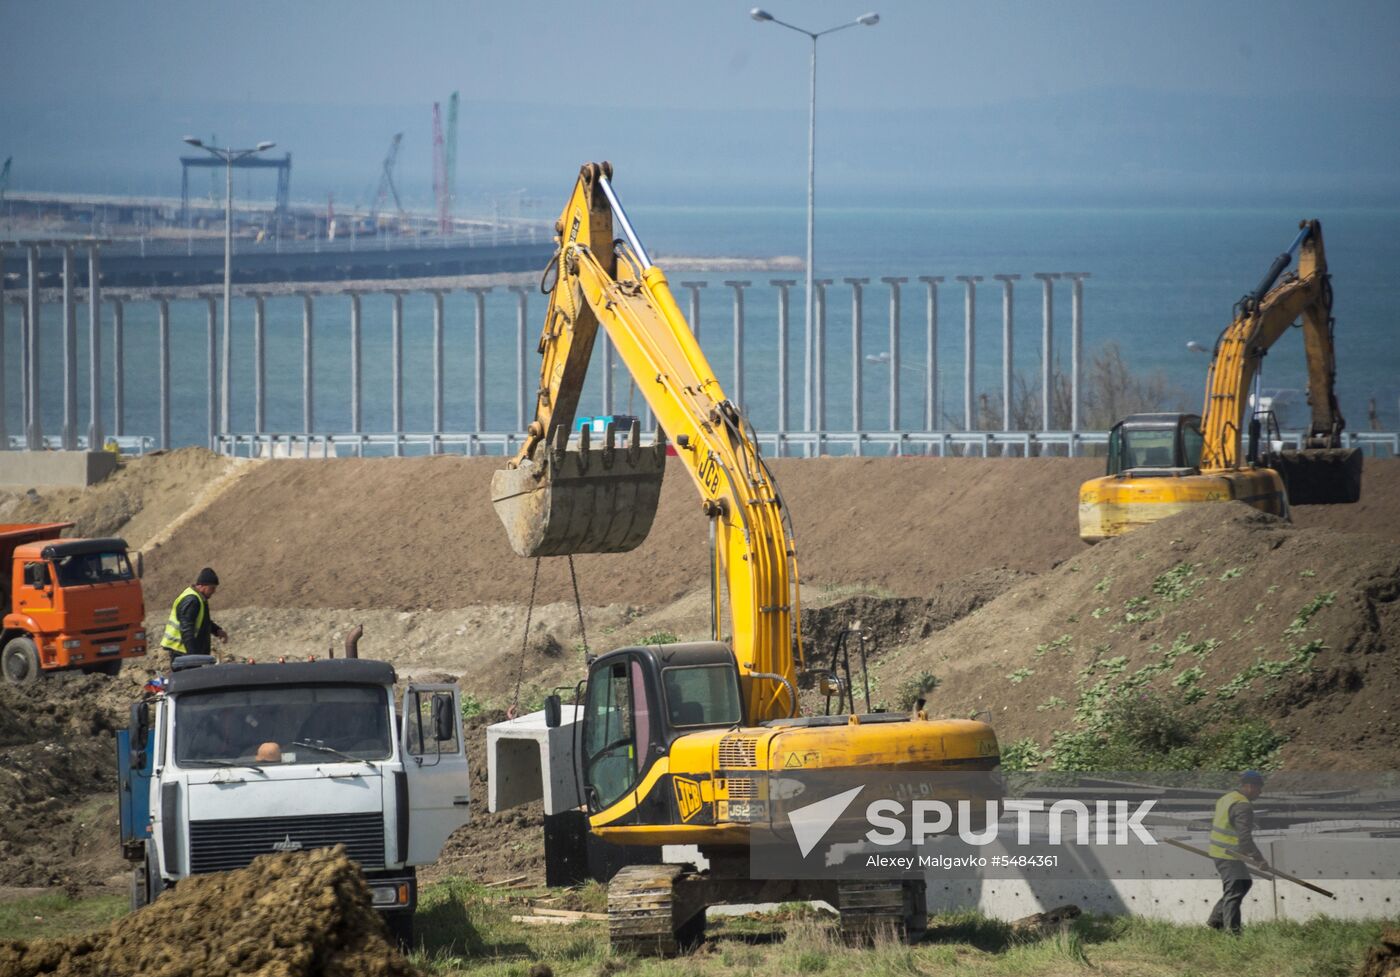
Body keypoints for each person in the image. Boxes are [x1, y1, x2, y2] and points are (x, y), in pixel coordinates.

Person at [1206, 770, 1269, 934]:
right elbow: (1245, 838)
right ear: (1249, 786)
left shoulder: (1227, 798)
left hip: (1221, 851)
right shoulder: (1243, 806)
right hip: (1229, 855)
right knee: (1234, 891)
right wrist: (1259, 859)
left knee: (1244, 884)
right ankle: (1232, 932)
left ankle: (1216, 920)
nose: (1260, 792)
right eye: (1258, 788)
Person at [160, 567, 228, 665]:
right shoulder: (192, 600)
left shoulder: (199, 599)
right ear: (202, 586)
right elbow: (187, 630)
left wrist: (217, 630)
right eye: (212, 588)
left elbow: (202, 621)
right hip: (182, 654)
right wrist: (194, 658)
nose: (214, 591)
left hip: (187, 653)